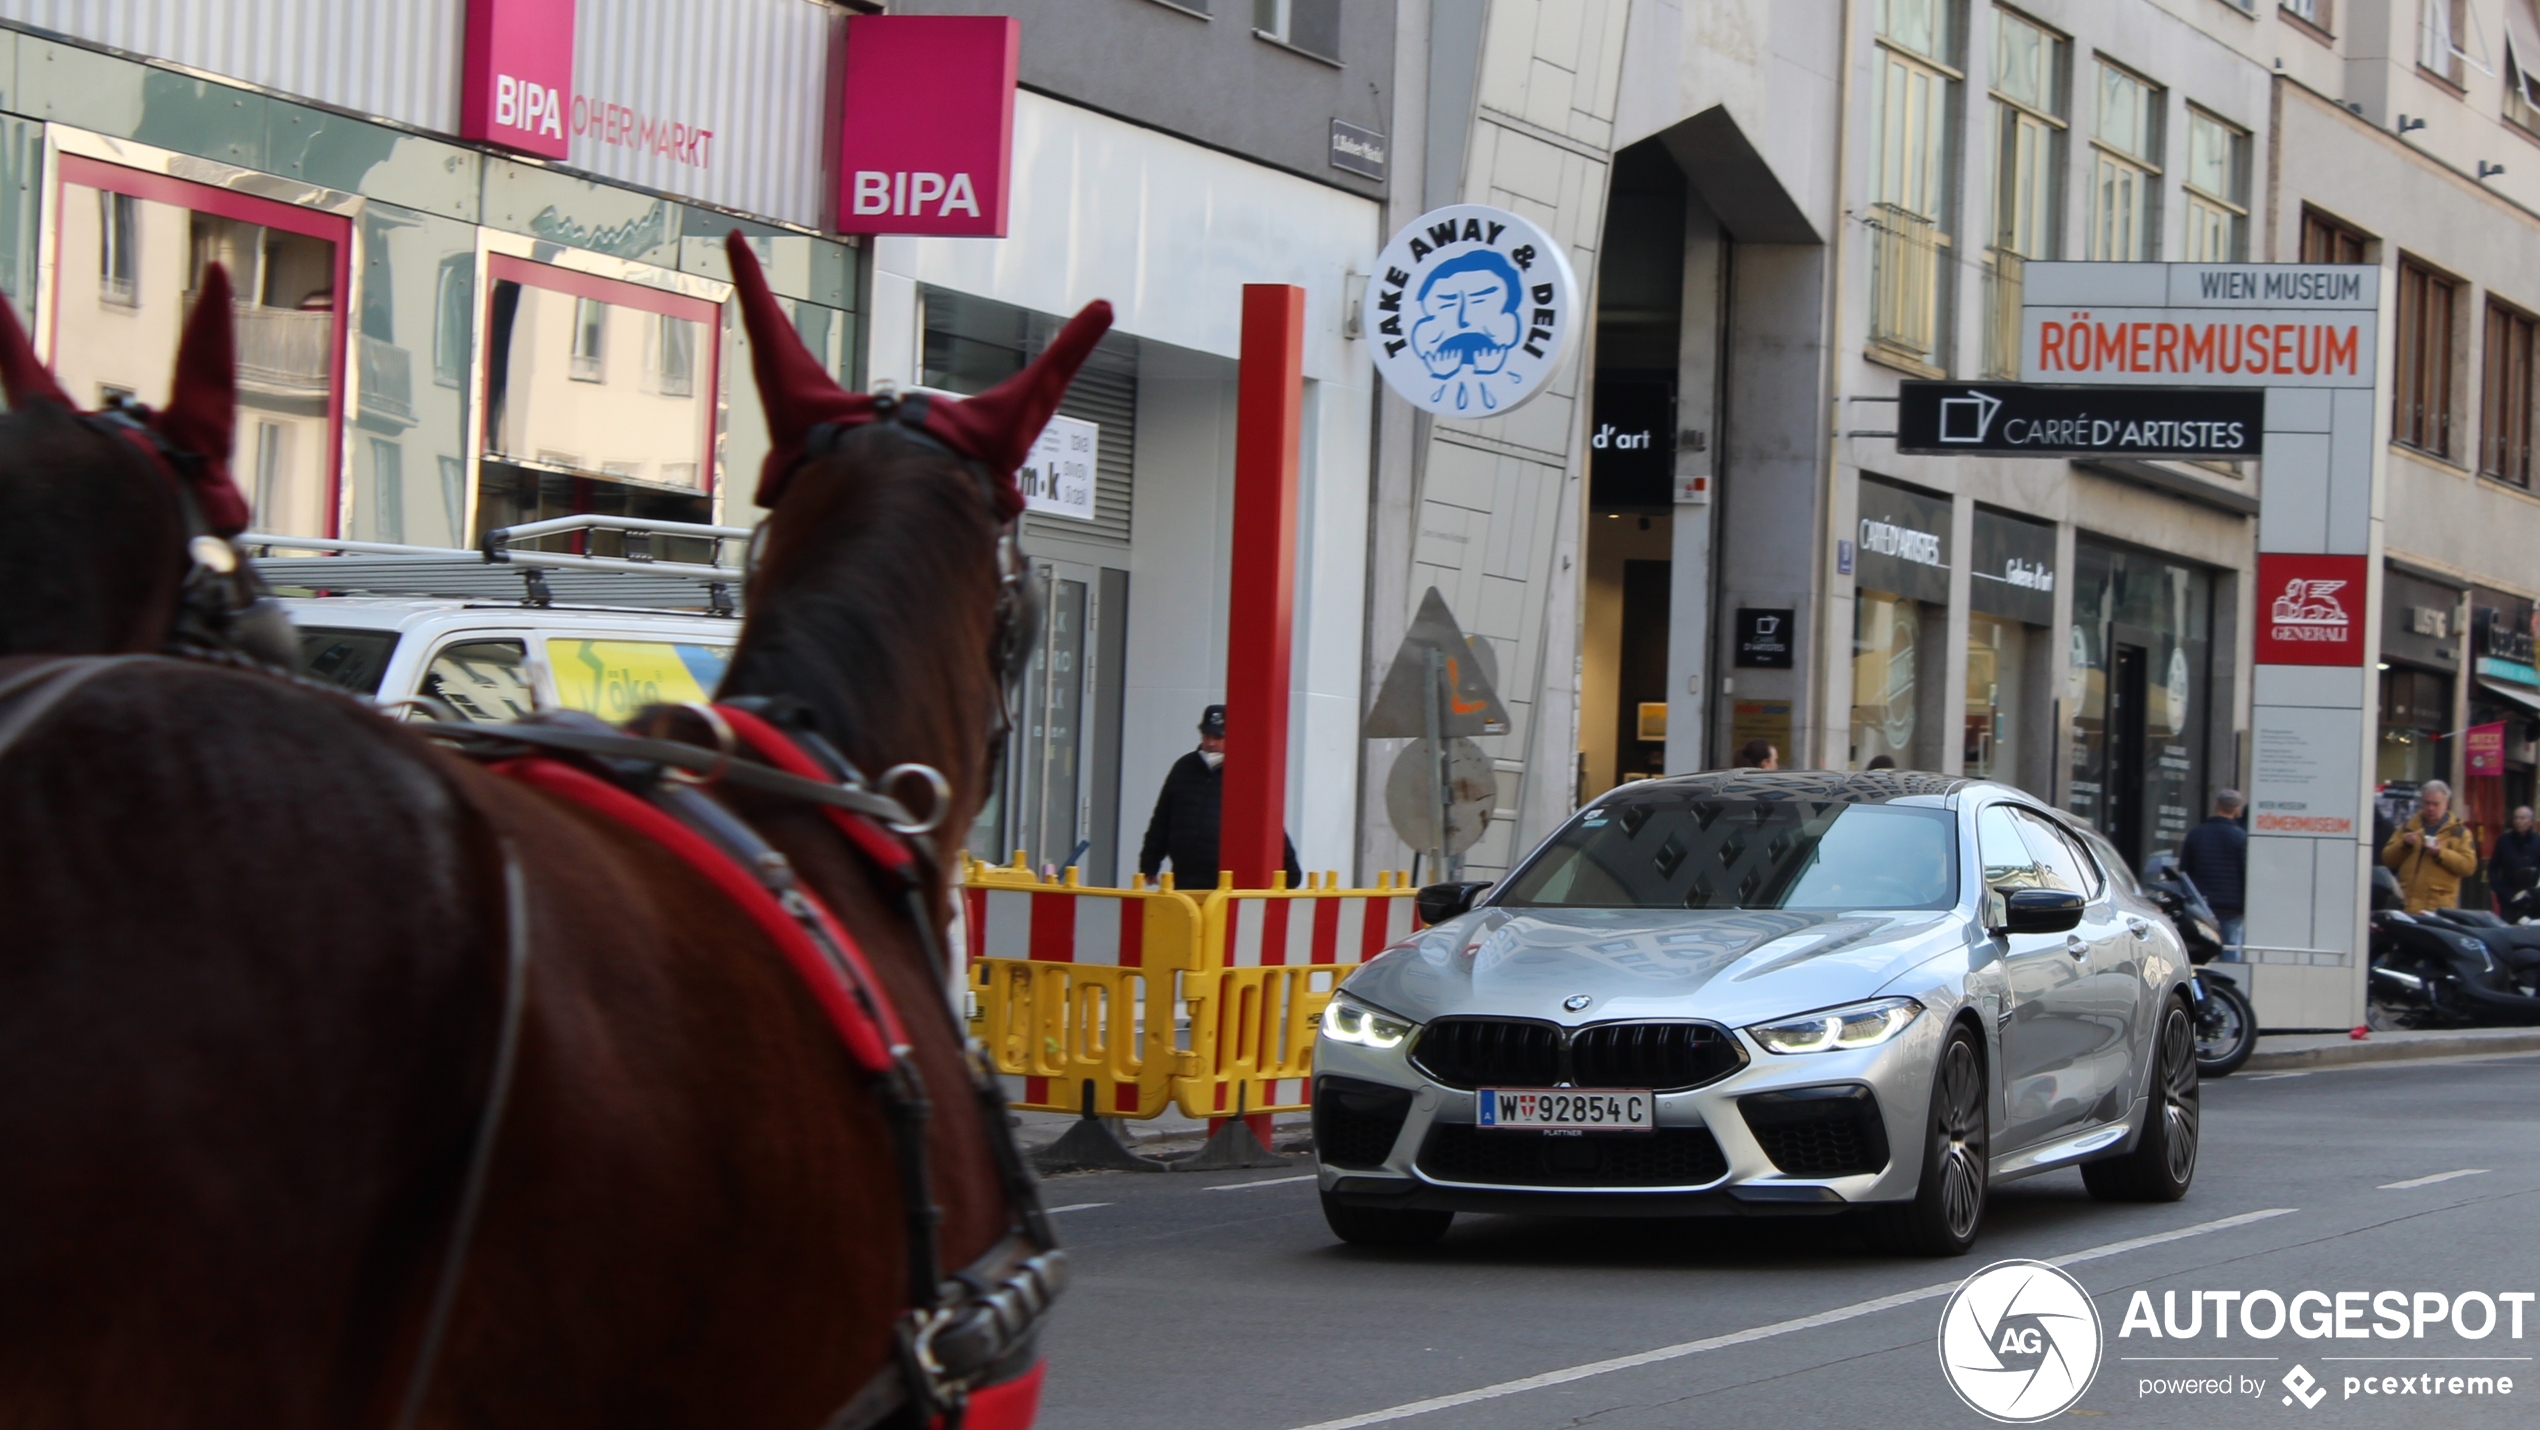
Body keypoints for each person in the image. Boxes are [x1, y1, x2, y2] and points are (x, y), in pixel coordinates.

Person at [1138, 705, 1302, 888]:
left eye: (1218, 737)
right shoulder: (1184, 768)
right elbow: (1162, 819)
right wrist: (1149, 863)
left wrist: (1290, 871)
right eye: (1207, 736)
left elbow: (1268, 824)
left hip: (1227, 880)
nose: (1211, 743)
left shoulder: (1244, 773)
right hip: (1185, 876)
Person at [2381, 778, 2478, 915]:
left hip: (2437, 911)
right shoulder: (2408, 827)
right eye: (2427, 803)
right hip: (2405, 907)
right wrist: (2404, 844)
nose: (2430, 808)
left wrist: (2440, 853)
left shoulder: (2459, 832)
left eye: (2435, 804)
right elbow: (2387, 859)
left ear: (2446, 804)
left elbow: (2469, 867)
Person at [2179, 789, 2248, 959]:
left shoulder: (2196, 834)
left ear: (2217, 805)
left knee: (2201, 950)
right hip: (2232, 908)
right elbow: (2246, 873)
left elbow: (2184, 870)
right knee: (2230, 950)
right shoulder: (2241, 838)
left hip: (2201, 905)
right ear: (2238, 810)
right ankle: (2226, 983)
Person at [2490, 805, 2540, 922]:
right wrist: (2500, 890)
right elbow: (2493, 867)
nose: (2518, 821)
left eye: (2522, 818)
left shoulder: (2538, 842)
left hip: (2532, 899)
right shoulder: (2504, 841)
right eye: (2516, 818)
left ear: (2531, 821)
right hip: (2508, 897)